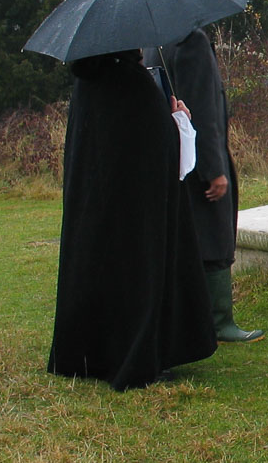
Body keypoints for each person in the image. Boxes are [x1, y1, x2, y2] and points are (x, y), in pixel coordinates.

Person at [48, 50, 217, 390]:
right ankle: (135, 356)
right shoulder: (132, 83)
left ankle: (88, 355)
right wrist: (177, 119)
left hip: (95, 209)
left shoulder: (87, 84)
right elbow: (158, 149)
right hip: (137, 211)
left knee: (95, 269)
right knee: (135, 275)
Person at [147, 29, 264, 343]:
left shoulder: (155, 41)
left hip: (176, 155)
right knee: (214, 236)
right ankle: (219, 322)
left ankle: (193, 319)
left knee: (189, 238)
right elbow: (203, 111)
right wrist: (214, 170)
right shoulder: (191, 42)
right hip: (197, 157)